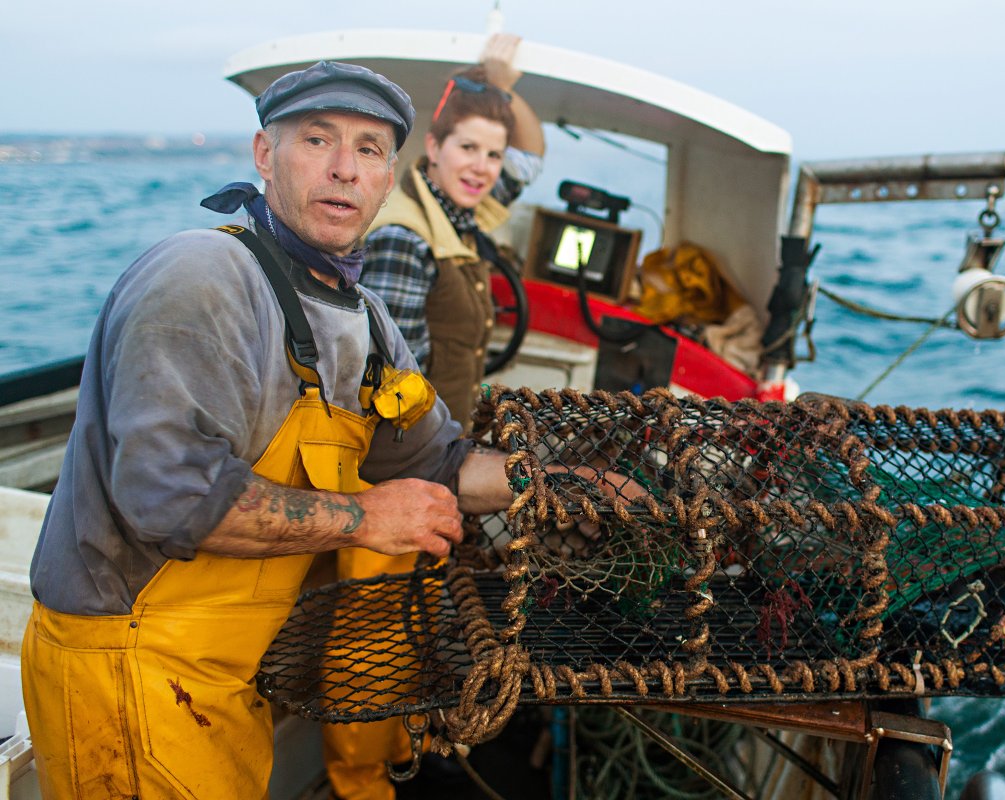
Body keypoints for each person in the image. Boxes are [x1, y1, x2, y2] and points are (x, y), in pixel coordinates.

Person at [18, 60, 621, 800]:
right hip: (126, 662)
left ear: (389, 177)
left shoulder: (366, 321)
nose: (344, 168)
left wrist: (562, 484)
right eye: (316, 139)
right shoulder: (203, 276)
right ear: (264, 154)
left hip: (223, 680)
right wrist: (366, 517)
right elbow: (169, 497)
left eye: (369, 149)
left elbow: (439, 461)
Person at [362, 33, 546, 428]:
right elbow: (393, 391)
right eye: (467, 148)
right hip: (414, 449)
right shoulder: (403, 239)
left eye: (494, 154)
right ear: (434, 147)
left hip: (448, 437)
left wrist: (501, 87)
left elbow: (529, 160)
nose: (481, 167)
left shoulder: (459, 213)